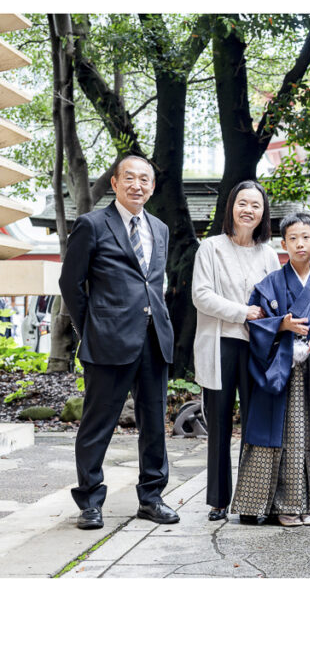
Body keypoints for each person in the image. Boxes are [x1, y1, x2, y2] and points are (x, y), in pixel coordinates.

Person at [58, 155, 179, 530]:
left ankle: (152, 497)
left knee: (155, 423)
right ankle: (90, 501)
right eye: (129, 178)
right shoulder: (92, 225)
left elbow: (152, 284)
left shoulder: (159, 228)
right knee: (98, 423)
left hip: (154, 338)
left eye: (145, 179)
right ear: (114, 183)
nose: (137, 185)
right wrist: (91, 329)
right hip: (107, 341)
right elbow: (70, 285)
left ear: (152, 187)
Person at [230, 213, 310, 526]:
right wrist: (282, 325)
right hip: (280, 372)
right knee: (287, 435)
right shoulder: (270, 283)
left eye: (305, 238)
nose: (299, 244)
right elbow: (256, 321)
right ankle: (286, 506)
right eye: (292, 238)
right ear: (282, 244)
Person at [192, 180, 280, 522]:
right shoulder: (211, 248)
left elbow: (278, 298)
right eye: (242, 203)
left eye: (255, 205)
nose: (248, 210)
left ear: (263, 213)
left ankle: (251, 499)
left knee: (255, 423)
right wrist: (243, 311)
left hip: (257, 347)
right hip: (220, 343)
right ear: (231, 207)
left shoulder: (268, 253)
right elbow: (201, 295)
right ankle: (218, 499)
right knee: (218, 422)